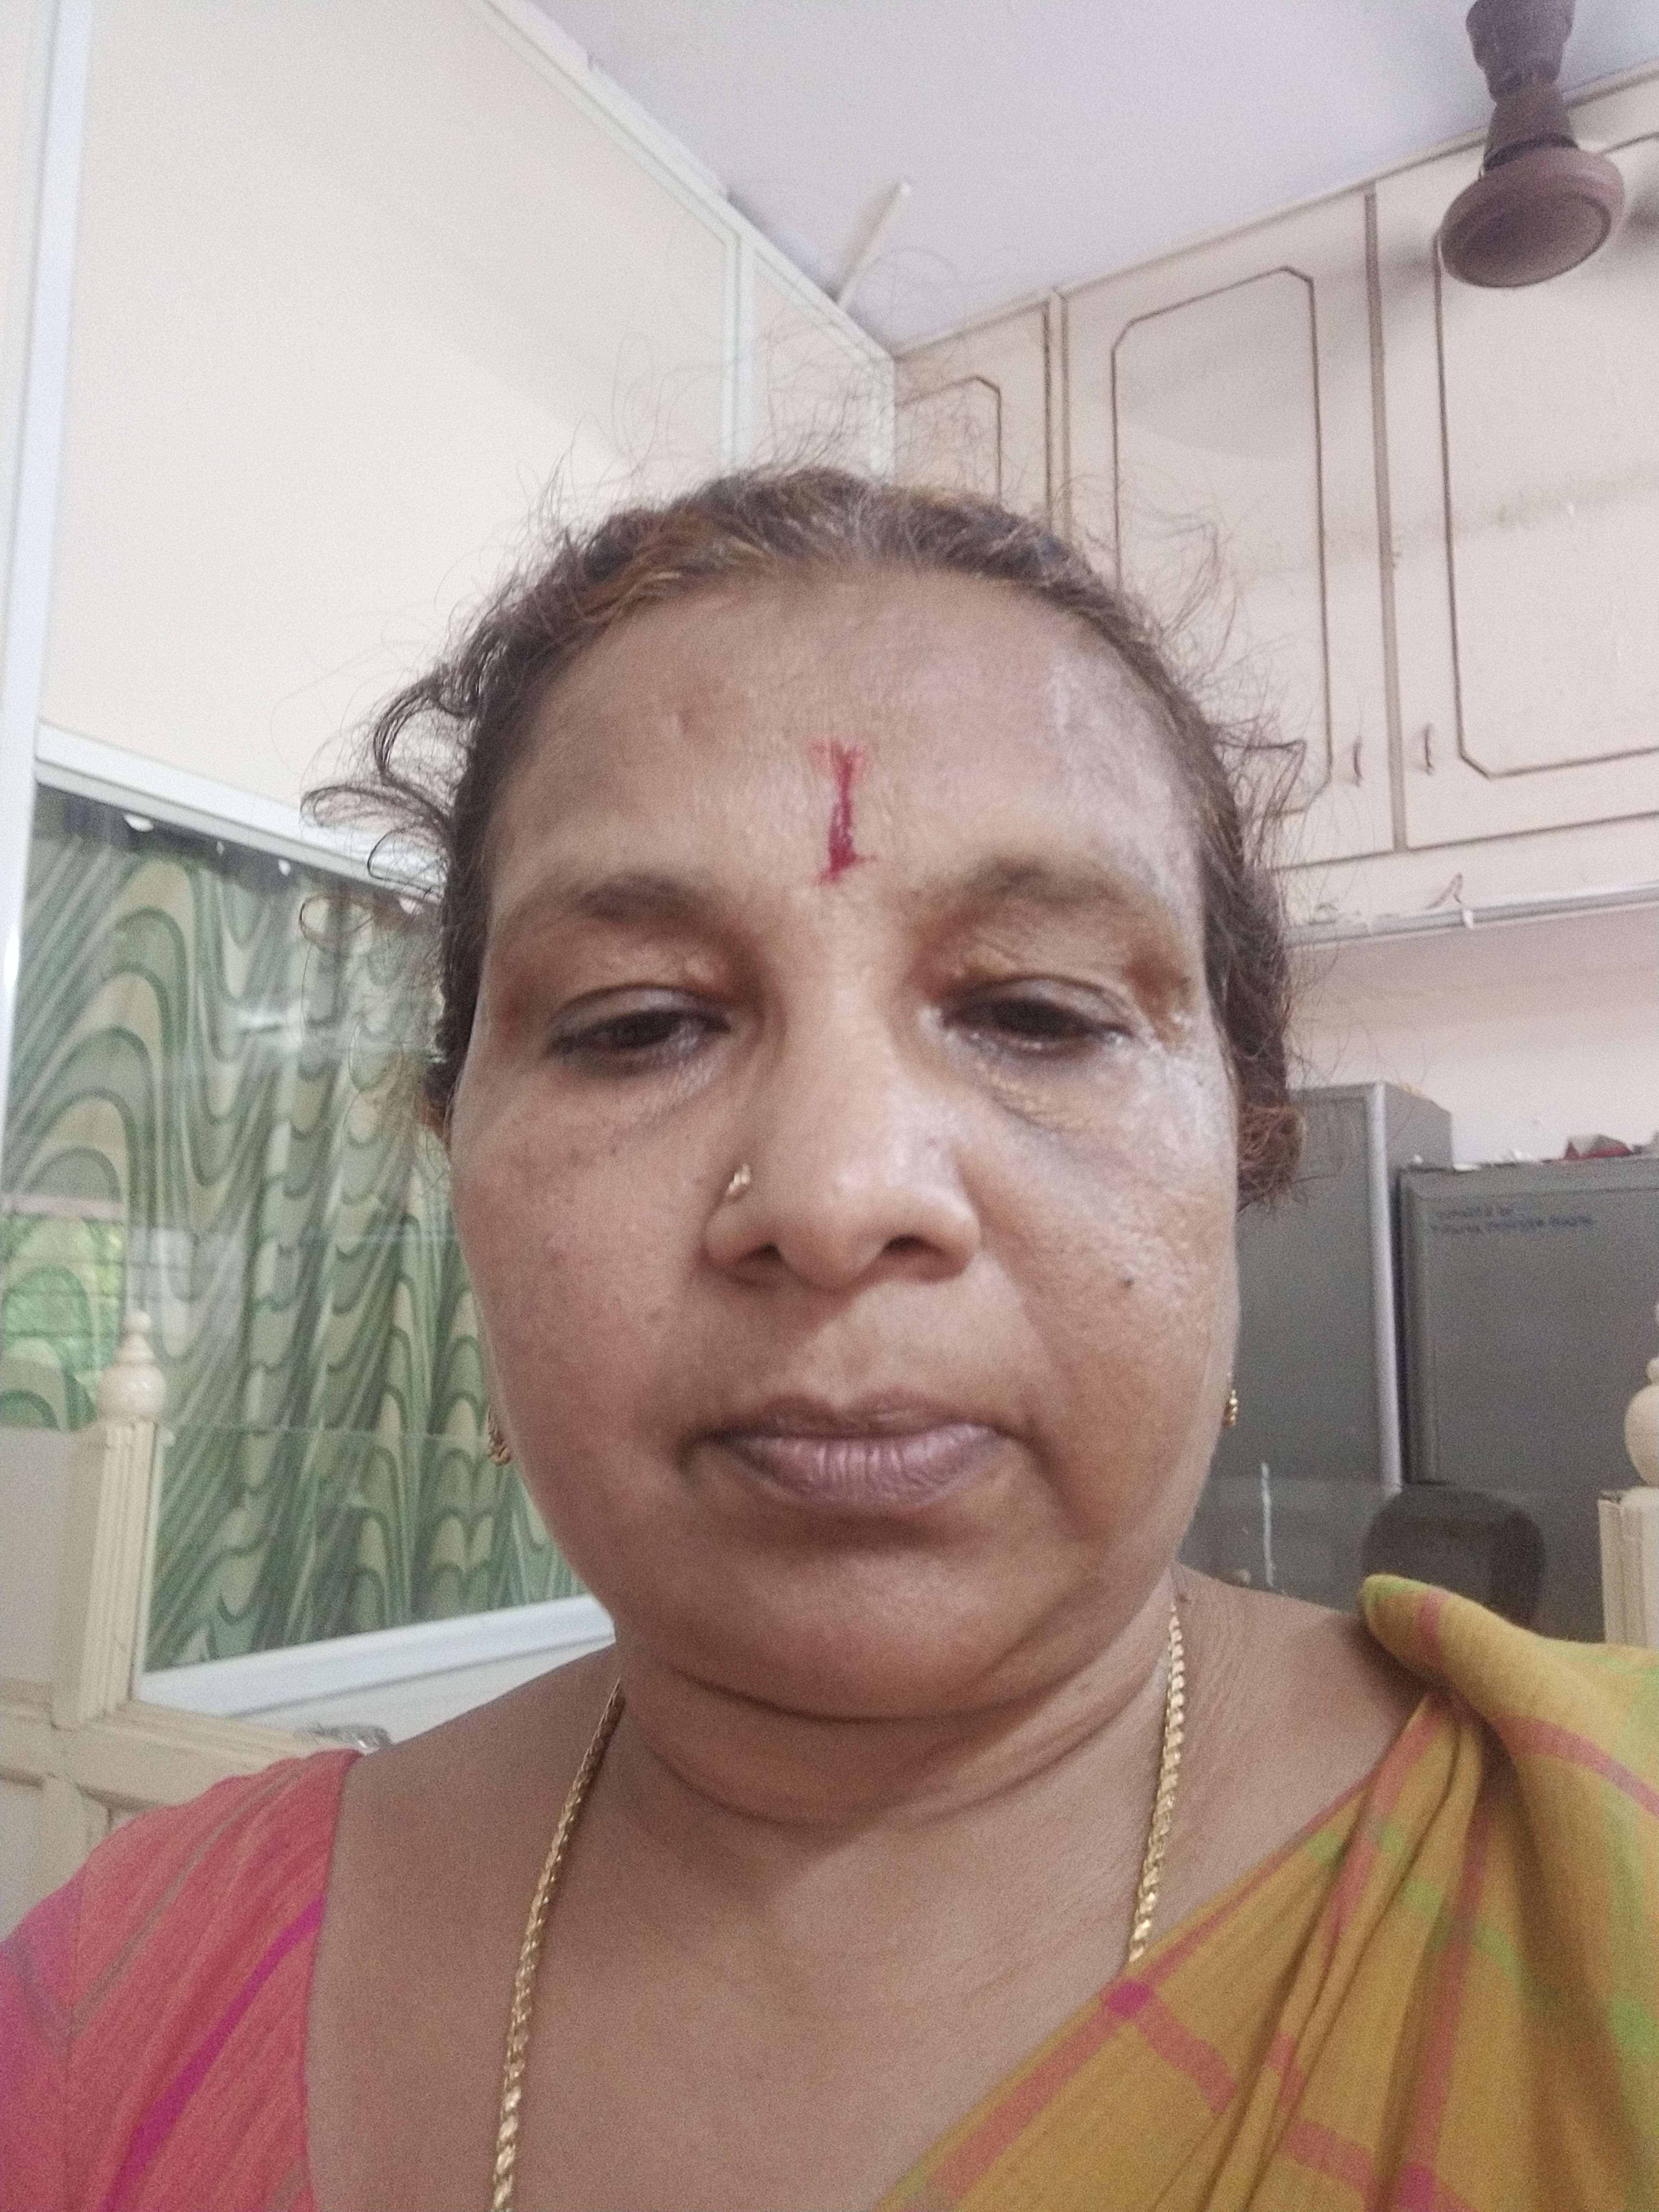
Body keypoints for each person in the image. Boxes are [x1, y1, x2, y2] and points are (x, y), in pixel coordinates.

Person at [3, 469, 1656, 2212]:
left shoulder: (1608, 1872)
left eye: (1036, 1011)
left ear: (1244, 1142)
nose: (837, 1194)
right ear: (453, 1154)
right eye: (638, 1024)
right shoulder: (119, 2006)